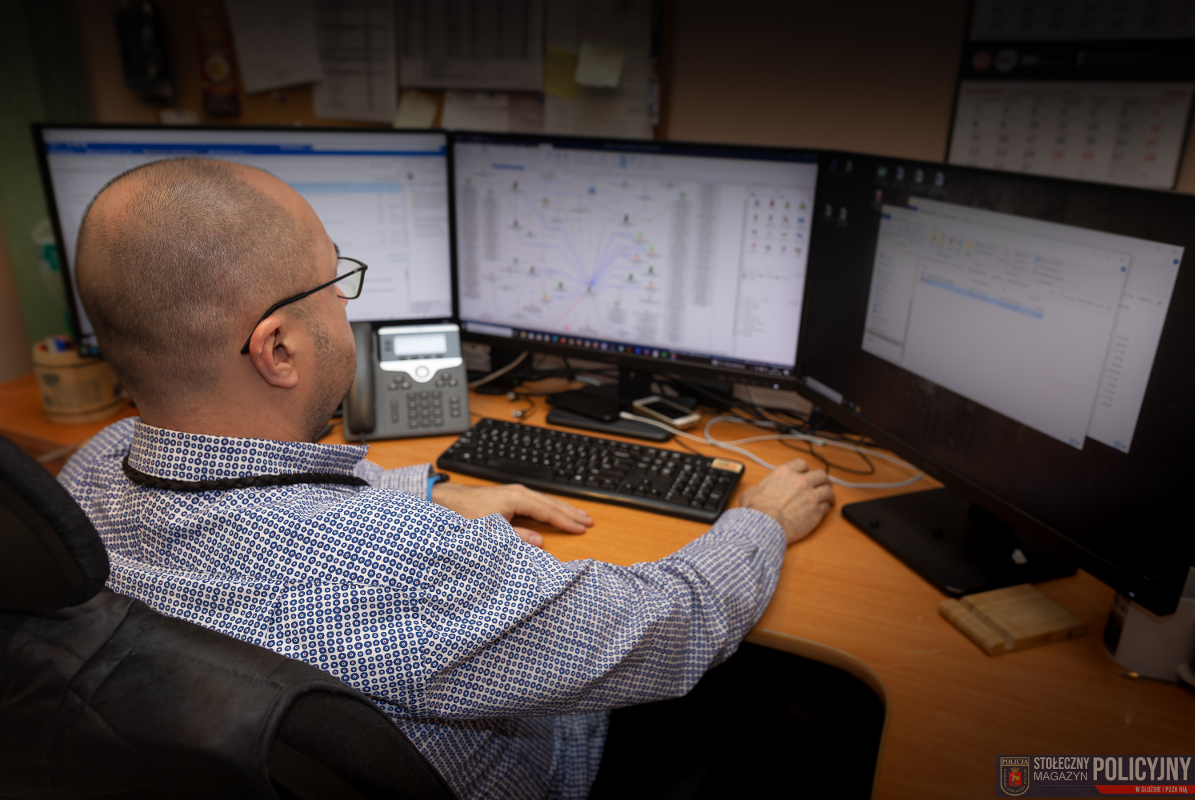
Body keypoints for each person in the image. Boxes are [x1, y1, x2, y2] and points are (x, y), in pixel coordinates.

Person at [59, 158, 835, 799]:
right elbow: (669, 627)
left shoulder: (85, 477)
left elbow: (270, 492)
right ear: (279, 350)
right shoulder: (405, 562)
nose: (344, 304)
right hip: (556, 767)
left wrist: (429, 488)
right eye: (334, 282)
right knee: (761, 685)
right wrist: (762, 519)